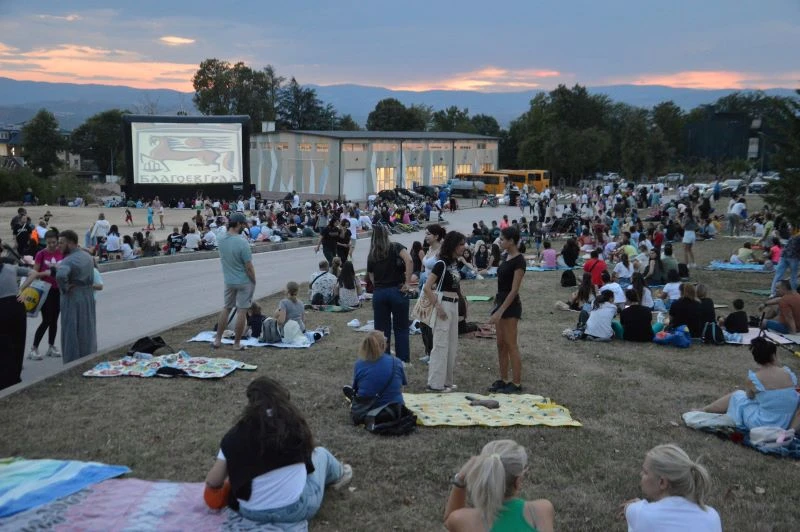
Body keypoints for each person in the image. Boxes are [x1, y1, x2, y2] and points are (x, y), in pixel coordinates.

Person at [204, 376, 353, 524]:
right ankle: (341, 473)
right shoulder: (294, 425)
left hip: (250, 512)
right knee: (321, 454)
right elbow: (308, 463)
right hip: (294, 510)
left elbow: (213, 481)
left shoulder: (234, 436)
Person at [444, 439, 554, 532]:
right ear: (518, 481)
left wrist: (460, 479)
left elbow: (449, 521)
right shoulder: (542, 510)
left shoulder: (464, 520)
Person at [702, 336, 800, 430]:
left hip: (763, 423)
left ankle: (705, 410)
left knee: (737, 396)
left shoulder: (755, 379)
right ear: (774, 356)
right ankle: (706, 410)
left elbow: (749, 397)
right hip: (789, 422)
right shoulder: (789, 374)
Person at [623, 444, 721, 532]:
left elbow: (628, 508)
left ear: (662, 482)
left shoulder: (640, 513)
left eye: (645, 472)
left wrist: (637, 506)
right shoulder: (712, 516)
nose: (641, 474)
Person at [424, 231, 466, 392]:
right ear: (453, 245)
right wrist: (439, 307)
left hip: (453, 304)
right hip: (443, 305)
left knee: (452, 344)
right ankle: (435, 384)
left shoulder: (454, 263)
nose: (464, 247)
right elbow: (428, 288)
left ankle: (446, 381)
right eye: (461, 244)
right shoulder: (440, 264)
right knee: (440, 345)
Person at [367, 225, 413, 364]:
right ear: (387, 234)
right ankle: (403, 360)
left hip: (380, 292)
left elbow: (371, 275)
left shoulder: (372, 254)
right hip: (397, 290)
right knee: (401, 327)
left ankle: (383, 359)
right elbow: (409, 260)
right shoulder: (395, 247)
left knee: (381, 329)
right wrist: (408, 282)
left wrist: (379, 286)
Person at [488, 227, 526, 393]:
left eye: (502, 239)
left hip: (510, 306)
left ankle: (516, 383)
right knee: (500, 344)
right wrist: (496, 306)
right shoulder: (506, 257)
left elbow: (514, 290)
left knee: (511, 344)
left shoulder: (519, 261)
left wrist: (501, 311)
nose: (500, 241)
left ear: (511, 241)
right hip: (501, 303)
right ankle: (504, 379)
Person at [213, 213, 256, 351]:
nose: (244, 226)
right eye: (243, 224)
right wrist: (254, 280)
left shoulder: (220, 239)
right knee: (242, 312)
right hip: (243, 281)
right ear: (238, 224)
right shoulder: (242, 242)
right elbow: (248, 266)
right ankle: (236, 343)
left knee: (226, 308)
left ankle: (217, 340)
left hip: (229, 280)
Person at [54, 230, 97, 363]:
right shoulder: (87, 256)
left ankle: (71, 361)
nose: (58, 246)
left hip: (72, 296)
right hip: (88, 295)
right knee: (87, 328)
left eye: (61, 243)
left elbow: (60, 276)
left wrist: (65, 288)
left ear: (71, 243)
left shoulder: (67, 260)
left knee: (71, 329)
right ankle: (88, 357)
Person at [2, 258, 44, 390]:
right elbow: (33, 273)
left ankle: (5, 380)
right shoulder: (11, 268)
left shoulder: (10, 268)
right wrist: (21, 289)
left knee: (4, 345)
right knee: (18, 342)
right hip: (16, 306)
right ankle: (15, 377)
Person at [343, 331, 406, 407]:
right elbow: (401, 387)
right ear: (383, 345)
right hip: (396, 411)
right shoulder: (396, 362)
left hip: (367, 411)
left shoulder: (359, 364)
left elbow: (357, 388)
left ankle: (353, 399)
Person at [28, 230, 63, 360]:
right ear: (45, 241)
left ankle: (51, 346)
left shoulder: (62, 252)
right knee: (46, 320)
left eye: (54, 242)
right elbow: (34, 272)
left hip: (58, 290)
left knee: (54, 320)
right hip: (45, 291)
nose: (52, 245)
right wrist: (47, 273)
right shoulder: (41, 254)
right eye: (49, 243)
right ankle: (34, 348)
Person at [419, 224, 446, 363]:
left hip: (434, 289)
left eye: (428, 234)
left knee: (432, 324)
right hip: (425, 288)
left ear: (436, 236)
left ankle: (434, 353)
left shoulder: (441, 251)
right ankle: (428, 352)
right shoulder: (429, 248)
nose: (426, 236)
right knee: (423, 322)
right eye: (426, 233)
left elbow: (442, 269)